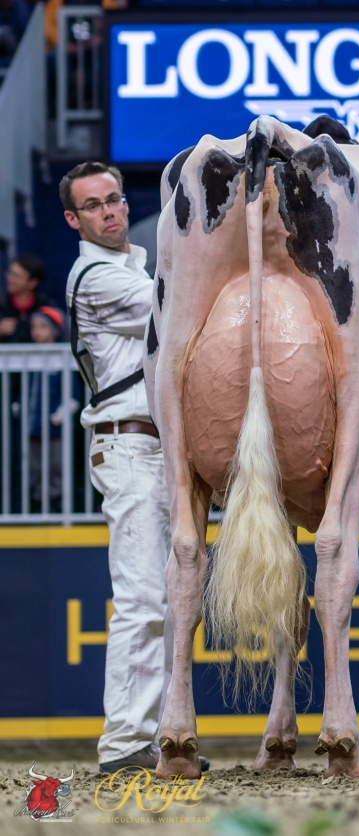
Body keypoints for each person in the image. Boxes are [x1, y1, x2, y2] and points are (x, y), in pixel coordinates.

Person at [62, 162, 179, 775]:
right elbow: (175, 306)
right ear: (73, 219)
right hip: (128, 446)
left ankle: (155, 737)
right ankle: (124, 743)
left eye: (113, 198)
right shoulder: (96, 277)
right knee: (142, 597)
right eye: (93, 205)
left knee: (168, 598)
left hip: (160, 447)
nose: (109, 211)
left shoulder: (132, 265)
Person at [0, 253, 50, 342]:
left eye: (16, 276)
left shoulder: (45, 308)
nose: (9, 279)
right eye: (10, 273)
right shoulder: (2, 302)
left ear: (32, 283)